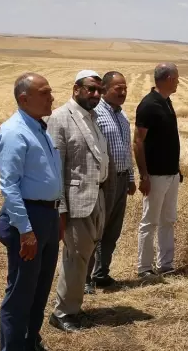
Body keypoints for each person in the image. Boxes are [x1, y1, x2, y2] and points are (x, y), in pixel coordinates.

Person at [0, 72, 63, 351]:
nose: (52, 97)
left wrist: (58, 216)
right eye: (45, 93)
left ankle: (31, 341)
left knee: (41, 288)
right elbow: (9, 186)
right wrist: (26, 231)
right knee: (21, 292)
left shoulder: (38, 128)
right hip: (28, 218)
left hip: (47, 216)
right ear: (24, 98)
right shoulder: (14, 132)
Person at [46, 69, 110, 332]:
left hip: (96, 197)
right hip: (75, 202)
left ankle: (73, 306)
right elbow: (55, 169)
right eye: (90, 89)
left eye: (99, 91)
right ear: (76, 89)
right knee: (74, 257)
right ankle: (62, 314)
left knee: (83, 256)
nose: (96, 94)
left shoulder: (93, 117)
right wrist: (60, 208)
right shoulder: (61, 118)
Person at [84, 71, 136, 294]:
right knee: (95, 229)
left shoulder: (122, 116)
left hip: (122, 178)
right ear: (104, 90)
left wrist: (131, 178)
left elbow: (126, 149)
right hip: (103, 180)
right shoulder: (95, 114)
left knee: (113, 230)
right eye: (118, 88)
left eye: (125, 88)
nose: (123, 92)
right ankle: (84, 278)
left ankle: (101, 273)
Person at [133, 62, 182, 283]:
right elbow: (138, 141)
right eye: (177, 77)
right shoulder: (148, 105)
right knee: (149, 222)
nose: (179, 81)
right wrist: (144, 175)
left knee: (168, 220)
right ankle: (144, 268)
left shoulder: (166, 102)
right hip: (154, 175)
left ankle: (166, 265)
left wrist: (177, 170)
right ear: (169, 78)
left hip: (171, 174)